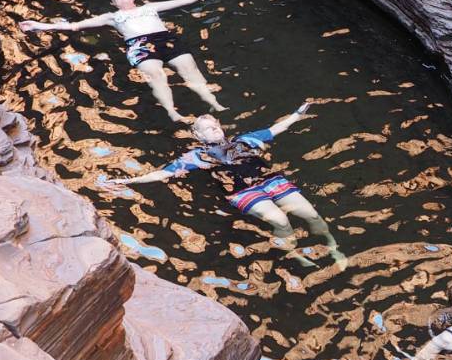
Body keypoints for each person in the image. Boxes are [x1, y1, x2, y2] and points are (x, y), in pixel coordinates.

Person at [106, 103, 348, 269]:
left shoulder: (244, 140)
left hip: (270, 180)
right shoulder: (196, 157)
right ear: (199, 136)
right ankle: (294, 252)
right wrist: (127, 181)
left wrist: (298, 114)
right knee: (281, 221)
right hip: (242, 191)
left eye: (216, 125)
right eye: (208, 127)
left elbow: (276, 129)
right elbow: (161, 174)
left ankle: (332, 246)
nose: (215, 128)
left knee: (311, 214)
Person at [19, 0, 234, 122]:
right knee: (155, 74)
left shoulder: (150, 7)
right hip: (139, 45)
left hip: (165, 39)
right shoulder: (112, 17)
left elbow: (186, 0)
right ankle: (172, 111)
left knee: (189, 67)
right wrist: (39, 26)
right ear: (113, 2)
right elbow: (75, 26)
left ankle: (214, 103)